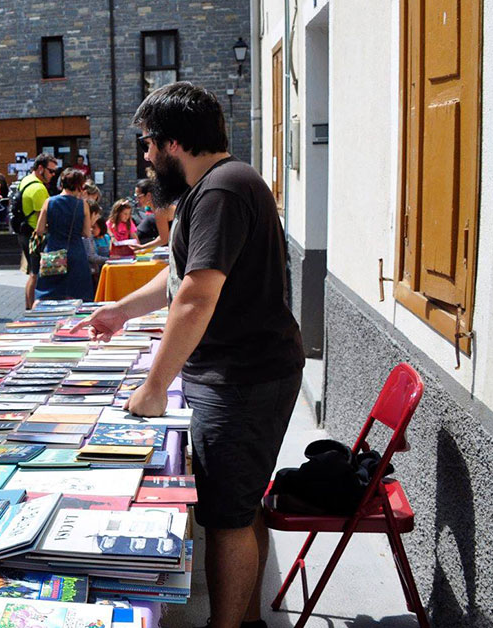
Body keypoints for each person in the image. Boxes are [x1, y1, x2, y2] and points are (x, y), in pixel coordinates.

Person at [77, 82, 304, 628]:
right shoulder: (217, 188)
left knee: (226, 514)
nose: (147, 157)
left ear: (174, 142)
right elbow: (179, 278)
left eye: (149, 144)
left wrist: (154, 387)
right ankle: (243, 619)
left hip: (243, 378)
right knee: (237, 503)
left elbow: (196, 298)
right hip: (237, 374)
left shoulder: (222, 190)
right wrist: (119, 312)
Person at [33, 168, 93, 302]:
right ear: (79, 185)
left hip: (54, 252)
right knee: (78, 295)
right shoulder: (82, 205)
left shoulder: (49, 202)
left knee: (46, 293)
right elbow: (87, 233)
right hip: (76, 253)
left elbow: (39, 230)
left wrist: (53, 228)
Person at [15, 154, 56, 309]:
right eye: (51, 171)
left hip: (24, 232)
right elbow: (42, 219)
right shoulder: (38, 188)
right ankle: (32, 308)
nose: (53, 175)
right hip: (35, 235)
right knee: (36, 273)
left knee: (33, 272)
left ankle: (28, 306)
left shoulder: (26, 180)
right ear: (41, 168)